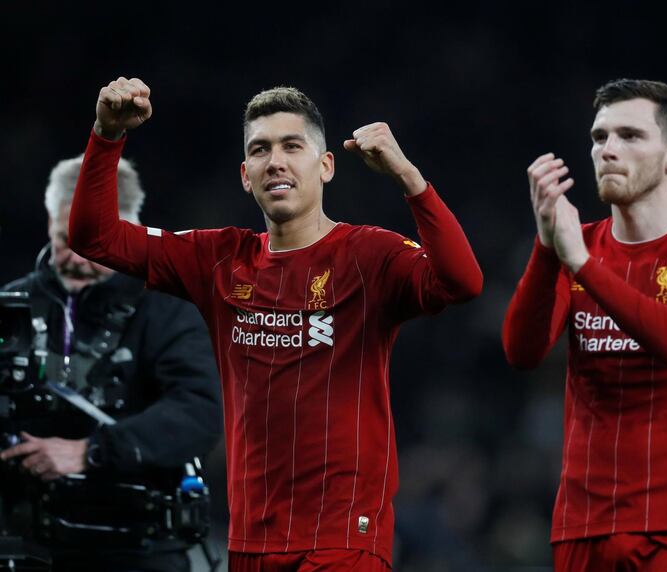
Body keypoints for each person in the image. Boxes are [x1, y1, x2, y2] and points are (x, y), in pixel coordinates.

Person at [68, 76, 483, 571]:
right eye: (260, 150)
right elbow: (95, 239)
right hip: (250, 543)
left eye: (292, 145)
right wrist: (106, 134)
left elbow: (463, 281)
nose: (276, 161)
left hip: (341, 542)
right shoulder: (219, 259)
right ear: (246, 175)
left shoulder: (368, 255)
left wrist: (409, 179)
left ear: (325, 165)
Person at [503, 79, 667, 571]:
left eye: (630, 136)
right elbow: (522, 352)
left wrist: (581, 265)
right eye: (599, 137)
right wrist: (546, 247)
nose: (608, 150)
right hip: (582, 525)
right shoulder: (578, 246)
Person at [0, 155, 222, 571]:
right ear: (49, 221)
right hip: (30, 544)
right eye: (67, 240)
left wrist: (91, 452)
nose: (78, 259)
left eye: (92, 244)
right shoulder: (13, 306)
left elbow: (201, 412)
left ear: (127, 232)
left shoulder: (168, 307)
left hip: (138, 548)